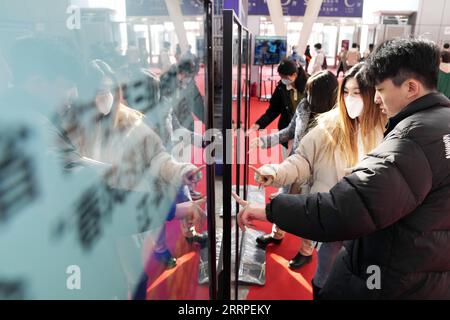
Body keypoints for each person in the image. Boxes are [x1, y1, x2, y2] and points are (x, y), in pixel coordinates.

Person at [235, 38, 450, 299]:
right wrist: (277, 174)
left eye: (374, 90)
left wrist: (268, 210)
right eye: (346, 92)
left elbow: (349, 208)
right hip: (400, 257)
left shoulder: (405, 136)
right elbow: (304, 159)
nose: (354, 99)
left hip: (385, 260)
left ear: (410, 88)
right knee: (325, 271)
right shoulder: (435, 123)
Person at [249, 70, 339, 270]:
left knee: (311, 211)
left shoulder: (337, 119)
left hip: (317, 175)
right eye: (307, 91)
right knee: (282, 200)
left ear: (325, 94)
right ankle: (277, 234)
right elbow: (289, 132)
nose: (307, 95)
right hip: (294, 165)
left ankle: (306, 251)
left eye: (311, 92)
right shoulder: (304, 107)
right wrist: (264, 141)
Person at [249, 59, 308, 147]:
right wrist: (259, 124)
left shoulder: (310, 84)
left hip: (308, 133)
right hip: (288, 131)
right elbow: (273, 110)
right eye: (281, 77)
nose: (283, 80)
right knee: (288, 158)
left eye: (285, 78)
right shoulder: (281, 88)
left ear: (294, 75)